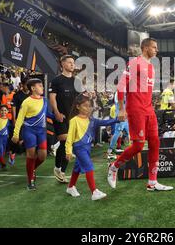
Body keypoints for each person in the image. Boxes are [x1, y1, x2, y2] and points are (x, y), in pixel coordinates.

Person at [107, 38, 173, 192]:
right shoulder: (134, 63)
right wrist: (122, 109)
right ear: (145, 48)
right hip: (135, 109)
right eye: (154, 47)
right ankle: (114, 166)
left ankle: (152, 182)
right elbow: (121, 85)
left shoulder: (151, 67)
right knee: (138, 145)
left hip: (149, 108)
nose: (157, 50)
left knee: (155, 141)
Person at [65, 94, 118, 200]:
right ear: (78, 106)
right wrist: (68, 151)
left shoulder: (92, 120)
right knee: (89, 166)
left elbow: (106, 121)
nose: (88, 108)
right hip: (79, 148)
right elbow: (70, 138)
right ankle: (94, 192)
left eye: (89, 106)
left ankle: (70, 187)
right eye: (85, 105)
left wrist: (118, 119)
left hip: (87, 147)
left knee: (77, 167)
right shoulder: (74, 120)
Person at [12, 78, 54, 190]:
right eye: (40, 86)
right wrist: (16, 134)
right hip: (29, 131)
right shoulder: (26, 102)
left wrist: (58, 117)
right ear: (33, 88)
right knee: (30, 154)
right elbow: (20, 118)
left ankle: (32, 169)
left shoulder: (45, 100)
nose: (42, 87)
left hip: (41, 131)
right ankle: (30, 181)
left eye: (42, 85)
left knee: (43, 156)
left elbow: (48, 114)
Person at [49, 55, 81, 183]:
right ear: (62, 64)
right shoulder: (57, 80)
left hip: (73, 117)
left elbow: (79, 100)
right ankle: (58, 168)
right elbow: (52, 98)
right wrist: (56, 112)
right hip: (61, 116)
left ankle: (61, 172)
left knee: (69, 144)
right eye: (69, 62)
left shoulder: (76, 81)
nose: (72, 64)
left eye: (73, 62)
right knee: (65, 141)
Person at [10, 76, 30, 165]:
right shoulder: (17, 95)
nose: (28, 86)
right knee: (17, 139)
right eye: (26, 85)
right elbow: (13, 107)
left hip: (30, 120)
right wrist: (14, 119)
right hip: (19, 120)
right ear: (22, 85)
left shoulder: (32, 95)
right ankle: (12, 152)